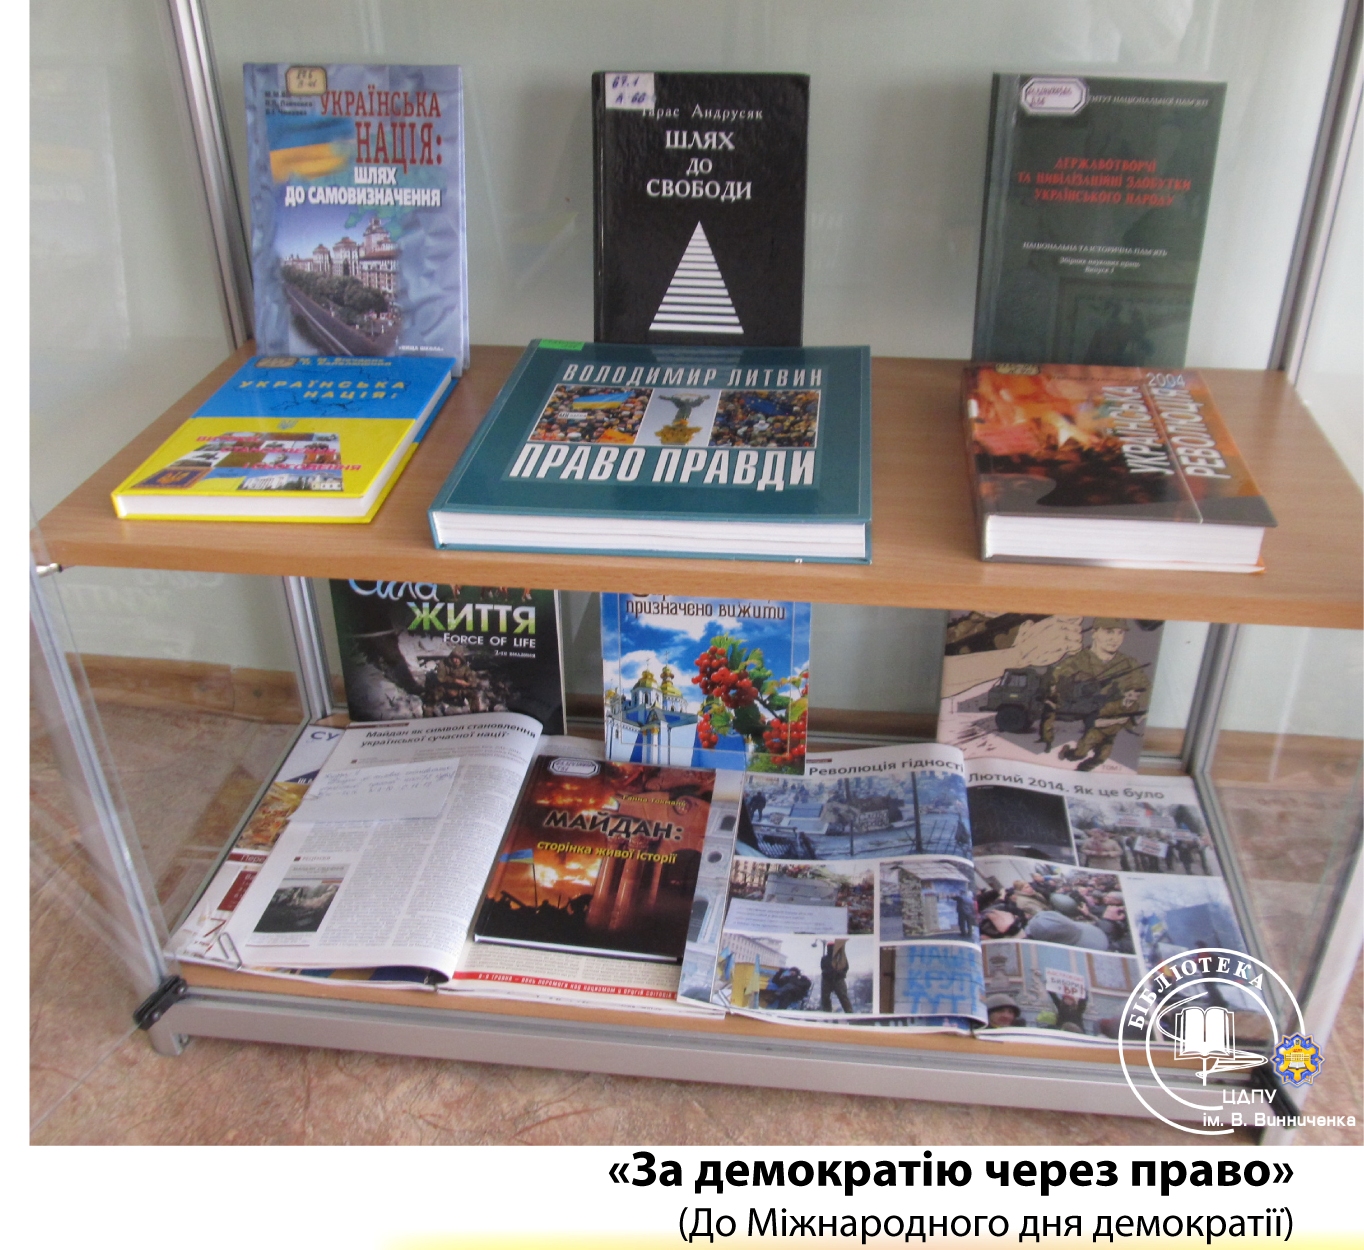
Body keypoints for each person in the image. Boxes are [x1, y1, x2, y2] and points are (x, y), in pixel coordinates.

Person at [1039, 618, 1151, 771]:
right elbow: (1050, 696)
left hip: (1109, 725)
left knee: (1101, 755)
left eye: (1120, 633)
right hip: (1073, 726)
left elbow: (1146, 695)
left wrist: (1130, 700)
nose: (1115, 638)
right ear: (1094, 633)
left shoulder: (1130, 665)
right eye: (1109, 632)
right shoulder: (1073, 663)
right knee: (1078, 753)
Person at [819, 938, 853, 1013]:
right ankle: (827, 1012)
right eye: (829, 947)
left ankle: (849, 1012)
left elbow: (845, 967)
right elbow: (823, 968)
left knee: (843, 996)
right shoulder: (826, 958)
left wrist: (840, 974)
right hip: (828, 979)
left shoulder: (839, 957)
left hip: (837, 979)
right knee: (826, 997)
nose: (830, 949)